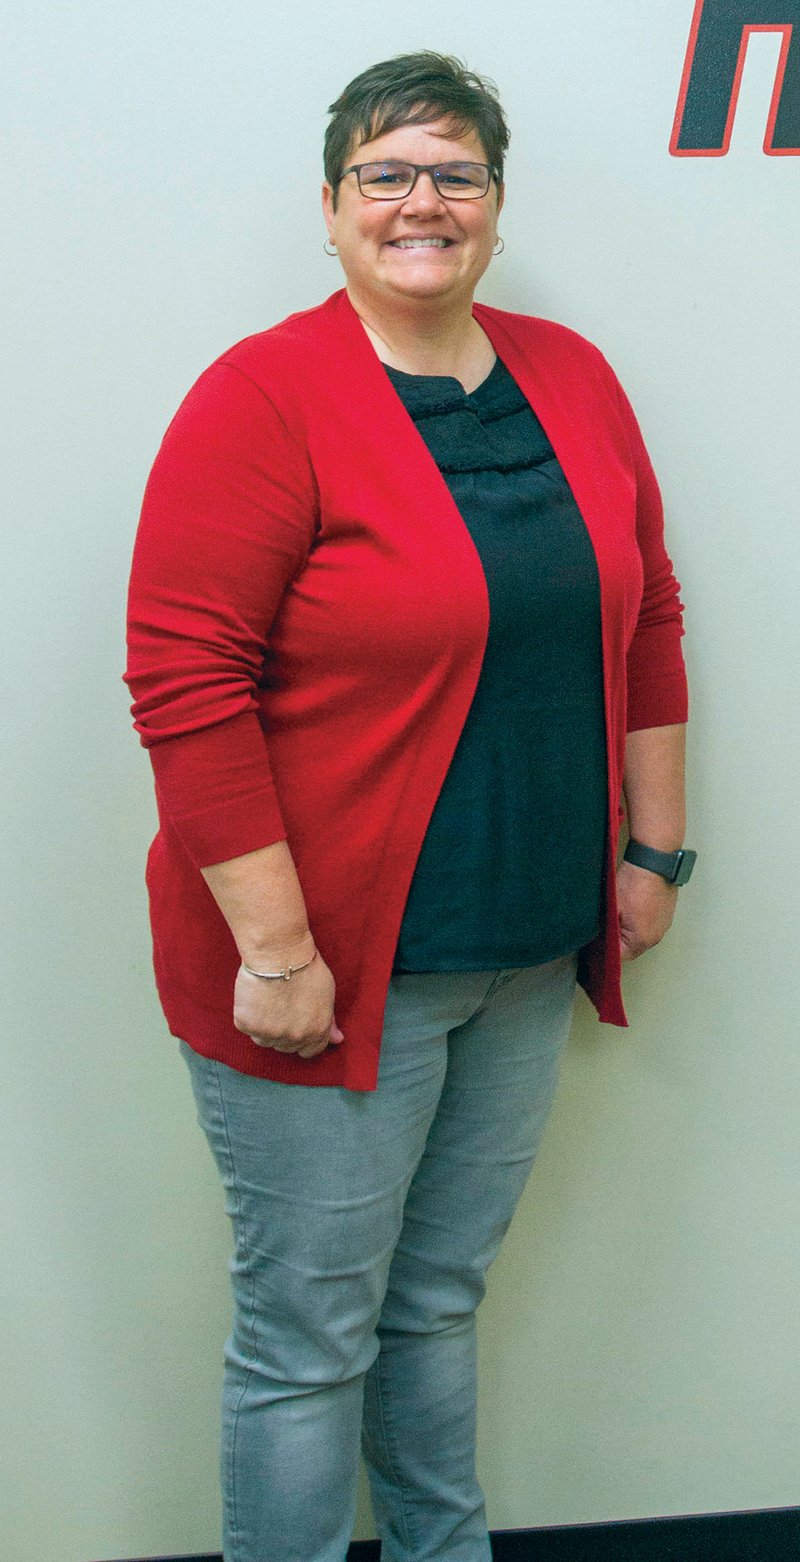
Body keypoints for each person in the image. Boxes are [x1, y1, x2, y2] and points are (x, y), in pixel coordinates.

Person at [124, 50, 695, 1562]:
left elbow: (646, 619)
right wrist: (276, 947)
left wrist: (651, 849)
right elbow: (188, 687)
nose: (421, 201)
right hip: (322, 969)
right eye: (386, 173)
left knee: (438, 1307)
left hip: (519, 954)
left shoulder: (570, 374)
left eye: (455, 172)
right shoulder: (263, 397)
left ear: (497, 206)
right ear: (331, 208)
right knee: (310, 1340)